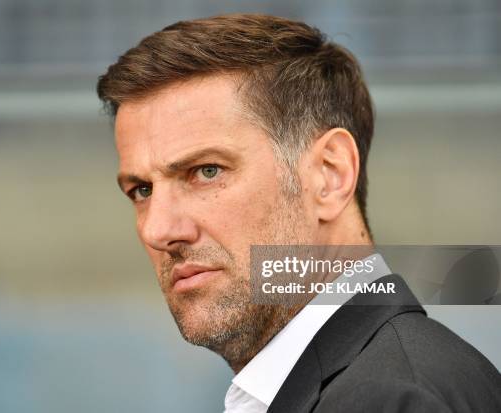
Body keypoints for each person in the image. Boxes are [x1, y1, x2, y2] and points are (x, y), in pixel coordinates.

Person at [96, 14, 501, 412]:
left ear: (330, 175)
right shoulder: (374, 380)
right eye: (142, 190)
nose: (158, 229)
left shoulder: (391, 398)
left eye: (206, 171)